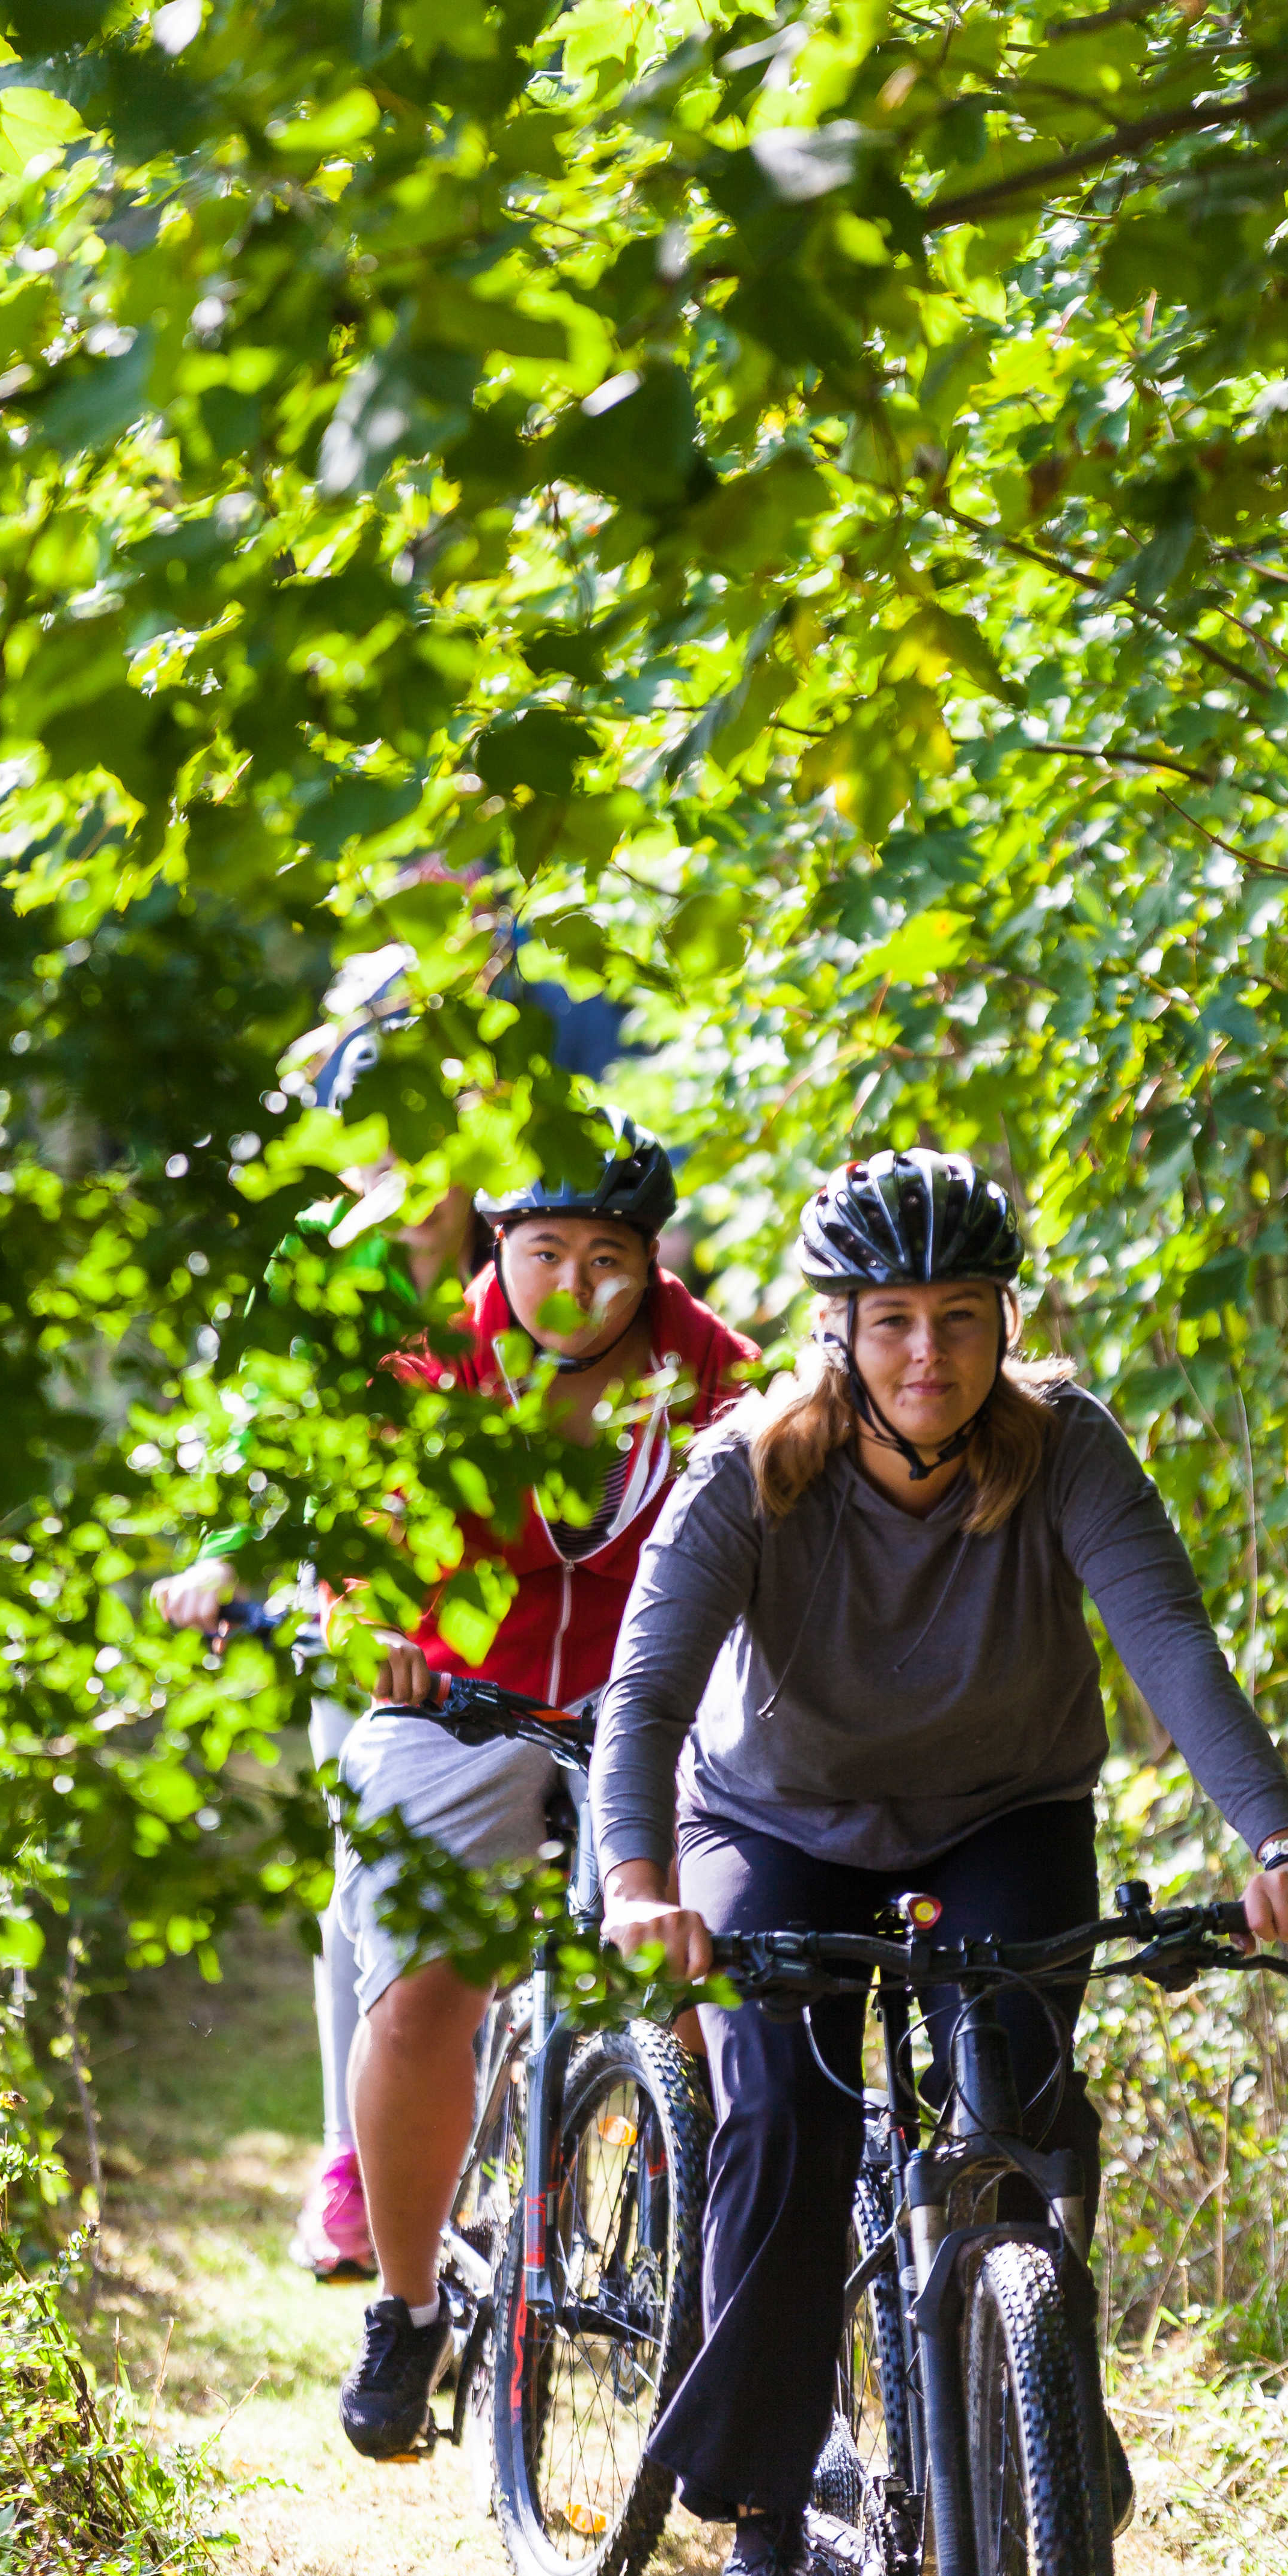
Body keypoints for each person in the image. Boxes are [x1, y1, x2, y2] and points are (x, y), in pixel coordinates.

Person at [590, 1145, 1288, 2576]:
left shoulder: (1064, 1449)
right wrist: (634, 1888)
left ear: (1006, 1321)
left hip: (1005, 1814)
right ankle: (766, 2532)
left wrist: (1277, 1836)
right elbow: (645, 1698)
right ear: (838, 1335)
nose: (925, 1352)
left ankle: (1039, 2387)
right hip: (779, 1819)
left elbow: (1171, 1647)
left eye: (958, 1316)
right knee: (788, 2123)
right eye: (889, 1321)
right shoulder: (750, 1469)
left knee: (1021, 2102)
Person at [331, 1118, 758, 2461]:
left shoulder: (712, 1374)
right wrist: (375, 1635)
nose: (576, 1283)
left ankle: (698, 2296)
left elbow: (791, 1514)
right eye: (546, 1250)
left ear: (653, 1262)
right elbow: (354, 1548)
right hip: (459, 1701)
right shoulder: (433, 1371)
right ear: (497, 1245)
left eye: (611, 1257)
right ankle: (407, 2308)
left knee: (699, 1989)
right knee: (426, 1996)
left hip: (658, 1713)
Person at [151, 976, 489, 2282]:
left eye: (438, 1132)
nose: (410, 1166)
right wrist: (225, 1560)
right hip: (360, 1605)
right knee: (366, 1882)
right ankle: (356, 2153)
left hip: (517, 1604)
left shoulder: (528, 1256)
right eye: (383, 1133)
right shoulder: (316, 1261)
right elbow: (263, 1440)